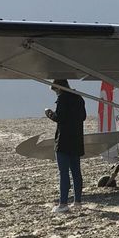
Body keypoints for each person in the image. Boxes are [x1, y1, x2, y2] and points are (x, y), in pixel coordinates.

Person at [45, 79, 86, 213]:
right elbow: (83, 116)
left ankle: (63, 203)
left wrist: (50, 114)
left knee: (63, 173)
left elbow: (60, 117)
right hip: (76, 139)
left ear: (59, 88)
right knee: (76, 172)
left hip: (63, 140)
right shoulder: (79, 98)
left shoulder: (63, 98)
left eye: (56, 90)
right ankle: (78, 201)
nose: (56, 93)